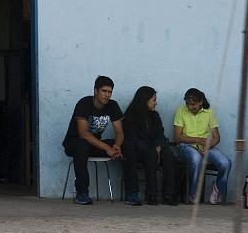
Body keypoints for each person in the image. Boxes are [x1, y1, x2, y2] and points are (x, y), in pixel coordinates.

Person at [62, 76, 124, 205]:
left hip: (95, 144)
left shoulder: (112, 105)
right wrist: (107, 148)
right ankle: (82, 193)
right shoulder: (84, 103)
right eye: (104, 91)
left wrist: (117, 146)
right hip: (75, 143)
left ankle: (132, 194)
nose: (107, 95)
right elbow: (83, 134)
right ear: (96, 91)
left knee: (127, 145)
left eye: (110, 92)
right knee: (83, 145)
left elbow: (119, 131)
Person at [173, 88, 232, 204]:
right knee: (196, 158)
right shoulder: (181, 111)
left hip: (205, 147)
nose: (190, 107)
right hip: (186, 146)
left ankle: (217, 189)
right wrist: (198, 140)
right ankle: (194, 194)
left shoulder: (209, 113)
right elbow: (177, 137)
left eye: (193, 104)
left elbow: (216, 138)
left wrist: (208, 147)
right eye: (187, 104)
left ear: (201, 102)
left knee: (226, 163)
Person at [122, 86, 177, 206]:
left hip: (154, 148)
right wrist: (153, 148)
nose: (156, 103)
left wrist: (159, 146)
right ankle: (151, 194)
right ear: (144, 101)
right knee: (151, 154)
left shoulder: (154, 116)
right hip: (138, 151)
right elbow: (132, 140)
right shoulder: (130, 117)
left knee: (168, 154)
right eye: (153, 100)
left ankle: (169, 195)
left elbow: (160, 135)